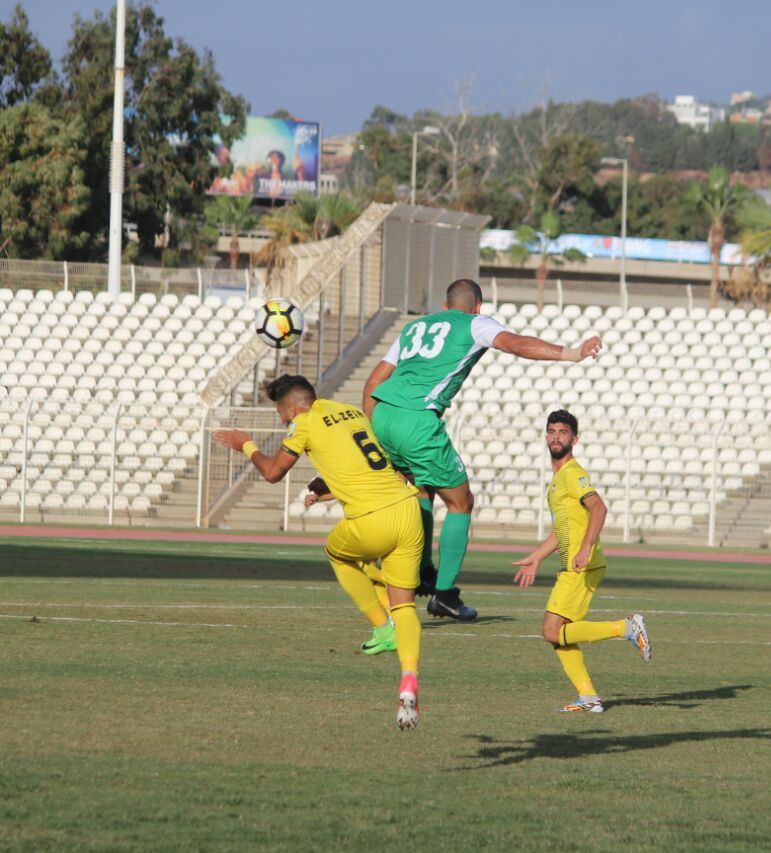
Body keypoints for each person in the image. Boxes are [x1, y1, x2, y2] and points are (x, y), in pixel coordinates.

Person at [363, 278, 602, 622]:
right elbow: (515, 343)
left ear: (445, 307)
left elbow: (373, 382)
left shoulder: (415, 327)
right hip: (416, 419)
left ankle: (424, 570)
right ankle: (444, 594)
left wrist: (373, 437)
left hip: (382, 412)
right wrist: (570, 353)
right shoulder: (475, 322)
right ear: (478, 307)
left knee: (422, 488)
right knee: (461, 502)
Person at [213, 375, 426, 730]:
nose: (283, 420)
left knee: (337, 553)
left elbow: (272, 474)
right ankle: (409, 677)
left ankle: (380, 627)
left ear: (293, 407)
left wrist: (247, 445)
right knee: (404, 606)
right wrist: (328, 486)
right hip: (408, 511)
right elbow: (362, 460)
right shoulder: (351, 412)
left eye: (282, 413)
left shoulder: (305, 423)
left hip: (373, 518)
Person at [512, 409, 651, 713]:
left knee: (550, 631)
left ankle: (626, 628)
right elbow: (562, 530)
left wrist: (586, 547)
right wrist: (536, 558)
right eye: (551, 431)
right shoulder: (558, 479)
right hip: (576, 561)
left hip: (580, 564)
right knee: (560, 635)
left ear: (575, 439)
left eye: (563, 432)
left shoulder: (573, 473)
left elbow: (599, 507)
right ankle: (588, 698)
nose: (556, 437)